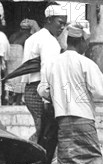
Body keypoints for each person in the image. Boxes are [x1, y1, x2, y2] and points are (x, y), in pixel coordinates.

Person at [39, 22, 103, 164]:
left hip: (63, 121)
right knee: (94, 158)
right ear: (80, 41)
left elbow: (43, 90)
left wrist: (57, 95)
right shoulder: (85, 63)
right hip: (83, 119)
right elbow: (102, 90)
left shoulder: (53, 63)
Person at [21, 4, 67, 138]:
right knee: (46, 132)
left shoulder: (31, 39)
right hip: (41, 92)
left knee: (43, 130)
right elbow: (48, 70)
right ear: (49, 20)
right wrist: (48, 100)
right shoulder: (50, 41)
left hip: (30, 90)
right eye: (60, 23)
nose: (62, 27)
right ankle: (31, 155)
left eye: (65, 24)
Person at [4, 20, 35, 105]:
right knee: (21, 76)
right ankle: (19, 99)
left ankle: (7, 95)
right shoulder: (28, 36)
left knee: (10, 75)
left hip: (10, 56)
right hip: (19, 55)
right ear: (29, 29)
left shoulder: (13, 35)